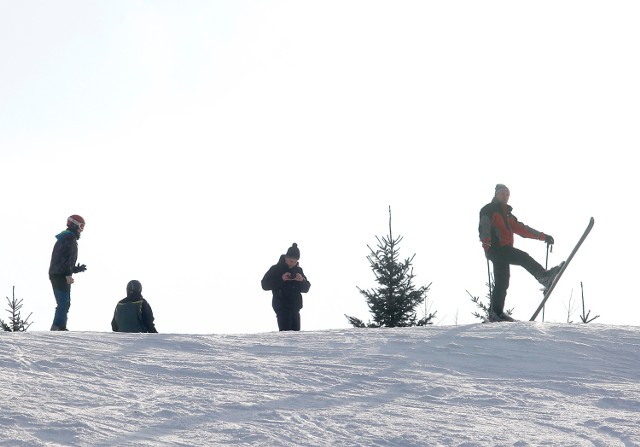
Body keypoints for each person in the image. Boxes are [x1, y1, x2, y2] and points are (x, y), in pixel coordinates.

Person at [479, 184, 564, 322]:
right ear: (496, 194)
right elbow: (484, 226)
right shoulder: (489, 209)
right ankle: (544, 277)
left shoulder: (507, 213)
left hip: (501, 250)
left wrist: (543, 236)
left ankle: (496, 313)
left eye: (507, 194)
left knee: (502, 282)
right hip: (496, 248)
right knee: (523, 258)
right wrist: (486, 245)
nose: (505, 196)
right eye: (502, 194)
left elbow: (522, 229)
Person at [49, 214, 87, 331]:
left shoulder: (65, 238)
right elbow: (66, 259)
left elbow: (63, 259)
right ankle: (58, 326)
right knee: (64, 302)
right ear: (74, 224)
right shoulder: (70, 238)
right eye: (81, 226)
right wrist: (68, 274)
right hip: (61, 274)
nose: (81, 230)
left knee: (64, 301)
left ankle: (59, 325)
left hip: (56, 272)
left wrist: (75, 269)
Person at [261, 243, 311, 331]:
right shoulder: (275, 269)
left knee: (296, 337)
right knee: (286, 336)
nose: (292, 264)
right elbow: (264, 285)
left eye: (295, 262)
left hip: (295, 308)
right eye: (291, 261)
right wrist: (281, 279)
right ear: (286, 258)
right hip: (281, 308)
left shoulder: (298, 270)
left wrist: (301, 280)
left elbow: (306, 288)